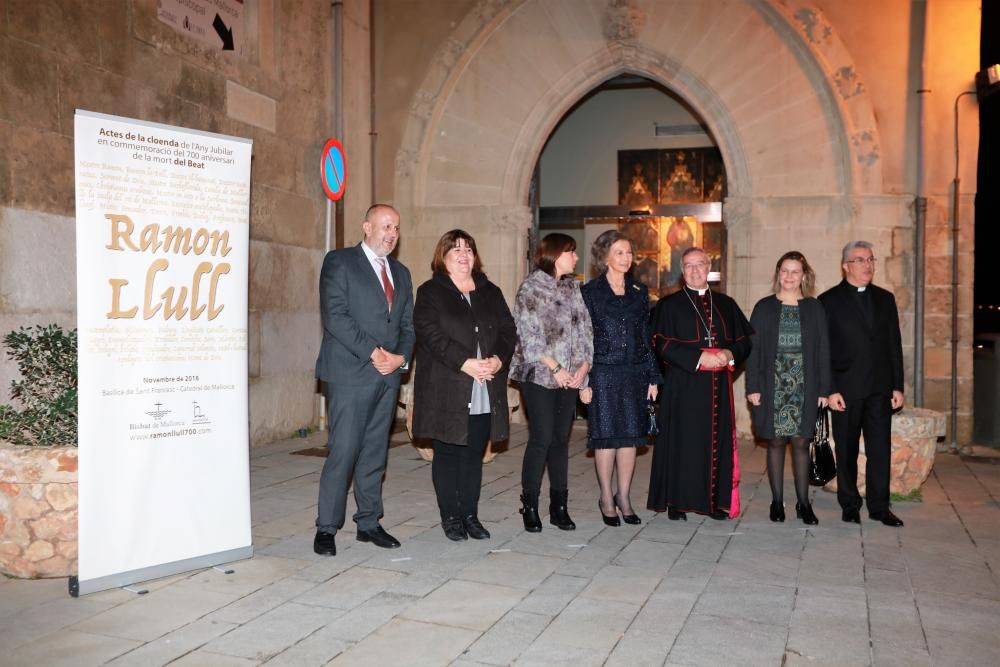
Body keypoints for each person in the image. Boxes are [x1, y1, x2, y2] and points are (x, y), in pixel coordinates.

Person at [313, 204, 415, 556]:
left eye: (396, 228)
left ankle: (369, 522)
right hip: (349, 374)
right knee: (344, 449)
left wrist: (400, 359)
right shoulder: (340, 262)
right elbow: (336, 316)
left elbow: (407, 326)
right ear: (366, 227)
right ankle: (327, 527)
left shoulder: (401, 273)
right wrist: (375, 353)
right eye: (386, 225)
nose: (392, 233)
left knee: (375, 452)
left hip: (387, 376)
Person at [412, 230, 516, 541]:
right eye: (455, 249)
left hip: (485, 387)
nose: (463, 254)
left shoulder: (490, 291)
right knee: (447, 454)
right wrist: (465, 362)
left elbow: (508, 330)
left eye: (468, 248)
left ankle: (470, 515)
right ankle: (451, 517)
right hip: (448, 387)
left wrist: (497, 359)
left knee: (474, 454)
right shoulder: (430, 292)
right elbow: (429, 333)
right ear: (442, 257)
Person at [647, 247, 752, 520]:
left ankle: (713, 502)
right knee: (683, 443)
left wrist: (729, 354)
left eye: (700, 264)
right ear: (683, 272)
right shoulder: (669, 306)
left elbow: (744, 341)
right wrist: (698, 357)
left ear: (709, 268)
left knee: (716, 444)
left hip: (718, 386)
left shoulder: (726, 304)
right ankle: (677, 502)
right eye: (689, 266)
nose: (695, 271)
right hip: (683, 385)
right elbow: (661, 342)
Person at [510, 233, 593, 532]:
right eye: (571, 252)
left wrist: (584, 366)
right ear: (556, 254)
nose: (576, 257)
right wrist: (556, 367)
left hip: (571, 376)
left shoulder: (573, 288)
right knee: (541, 438)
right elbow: (528, 336)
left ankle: (559, 507)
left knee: (561, 441)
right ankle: (529, 505)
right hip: (539, 376)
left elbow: (585, 329)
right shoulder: (531, 288)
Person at [818, 241, 905, 527]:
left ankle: (880, 507)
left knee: (880, 449)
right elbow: (823, 349)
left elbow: (894, 345)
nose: (867, 265)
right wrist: (829, 389)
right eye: (860, 260)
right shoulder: (828, 301)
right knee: (847, 449)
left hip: (880, 389)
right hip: (846, 389)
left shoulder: (885, 299)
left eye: (870, 259)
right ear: (846, 266)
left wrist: (897, 386)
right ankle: (850, 504)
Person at [580, 230, 661, 526]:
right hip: (601, 372)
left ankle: (624, 496)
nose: (626, 258)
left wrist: (653, 377)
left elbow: (645, 337)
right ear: (605, 257)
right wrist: (584, 381)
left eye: (629, 252)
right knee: (605, 439)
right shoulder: (589, 293)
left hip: (634, 373)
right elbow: (583, 340)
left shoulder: (639, 293)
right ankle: (605, 497)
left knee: (629, 438)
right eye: (619, 253)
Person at [746, 251, 831, 526]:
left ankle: (804, 504)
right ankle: (777, 502)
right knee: (776, 441)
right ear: (778, 273)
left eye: (795, 272)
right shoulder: (764, 307)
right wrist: (753, 387)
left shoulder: (814, 308)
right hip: (774, 386)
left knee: (801, 443)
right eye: (785, 271)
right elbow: (754, 351)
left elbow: (823, 351)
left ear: (804, 275)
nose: (789, 276)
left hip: (805, 388)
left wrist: (824, 390)